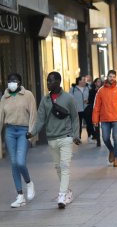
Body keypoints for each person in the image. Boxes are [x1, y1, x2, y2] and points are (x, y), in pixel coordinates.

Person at [26, 72, 80, 209]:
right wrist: (32, 133)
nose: (48, 83)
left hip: (66, 137)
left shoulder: (68, 98)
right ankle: (67, 191)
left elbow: (75, 117)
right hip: (52, 138)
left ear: (58, 82)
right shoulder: (45, 100)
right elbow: (40, 120)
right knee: (58, 167)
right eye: (47, 81)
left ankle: (61, 195)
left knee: (65, 166)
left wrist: (76, 135)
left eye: (50, 81)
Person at [0, 73, 37, 208]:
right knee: (14, 163)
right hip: (9, 131)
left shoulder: (28, 95)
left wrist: (31, 133)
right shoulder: (5, 97)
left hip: (23, 131)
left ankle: (29, 183)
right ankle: (20, 196)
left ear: (20, 82)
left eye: (14, 80)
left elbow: (33, 114)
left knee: (21, 162)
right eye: (9, 80)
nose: (11, 83)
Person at [92, 70, 117, 167]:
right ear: (107, 77)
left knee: (116, 138)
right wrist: (95, 119)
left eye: (113, 77)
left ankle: (116, 158)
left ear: (115, 78)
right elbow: (96, 106)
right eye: (110, 76)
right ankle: (112, 150)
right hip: (105, 119)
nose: (112, 78)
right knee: (105, 138)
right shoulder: (100, 91)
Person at [69, 76, 91, 143]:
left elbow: (92, 96)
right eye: (83, 79)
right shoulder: (73, 89)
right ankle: (78, 137)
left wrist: (89, 100)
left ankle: (90, 137)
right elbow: (70, 98)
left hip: (86, 108)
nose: (85, 81)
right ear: (79, 81)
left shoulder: (88, 87)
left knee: (89, 123)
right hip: (77, 109)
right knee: (78, 124)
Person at [84, 78, 103, 147]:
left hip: (103, 109)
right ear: (95, 83)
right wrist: (87, 101)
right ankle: (98, 140)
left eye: (100, 81)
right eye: (98, 81)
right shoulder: (91, 91)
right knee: (96, 124)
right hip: (95, 109)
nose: (99, 83)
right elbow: (90, 100)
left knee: (103, 125)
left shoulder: (103, 90)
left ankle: (102, 137)